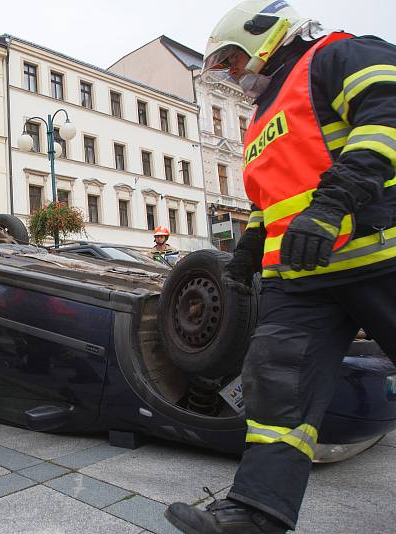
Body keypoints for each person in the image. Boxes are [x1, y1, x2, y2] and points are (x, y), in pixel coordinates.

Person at [165, 2, 396, 533]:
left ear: (262, 37)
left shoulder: (337, 55)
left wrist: (333, 203)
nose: (228, 72)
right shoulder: (264, 115)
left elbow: (385, 117)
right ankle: (255, 512)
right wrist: (249, 247)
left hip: (378, 254)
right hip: (299, 278)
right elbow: (270, 193)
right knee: (274, 387)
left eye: (230, 59)